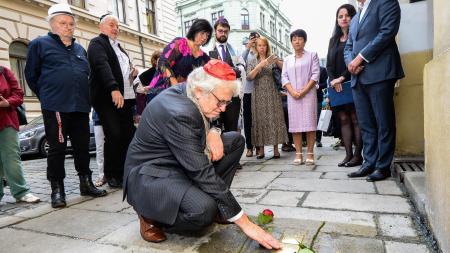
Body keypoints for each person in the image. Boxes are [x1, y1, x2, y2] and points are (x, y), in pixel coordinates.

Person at [123, 60, 281, 250]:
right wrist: (246, 223)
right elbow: (202, 172)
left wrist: (214, 131)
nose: (223, 108)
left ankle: (218, 207)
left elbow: (207, 120)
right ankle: (150, 214)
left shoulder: (194, 91)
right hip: (153, 173)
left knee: (235, 141)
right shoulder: (179, 112)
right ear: (199, 90)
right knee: (202, 210)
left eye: (227, 102)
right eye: (221, 102)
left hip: (179, 160)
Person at [24, 3, 107, 208]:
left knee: (81, 147)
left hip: (80, 105)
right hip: (56, 106)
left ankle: (86, 183)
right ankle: (57, 189)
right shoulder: (39, 44)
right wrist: (46, 95)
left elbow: (86, 75)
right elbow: (31, 75)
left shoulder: (79, 48)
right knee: (57, 148)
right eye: (63, 23)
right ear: (52, 24)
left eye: (71, 23)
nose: (68, 27)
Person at [344, 0, 404, 181]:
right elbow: (348, 46)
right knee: (366, 124)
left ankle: (382, 166)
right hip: (358, 76)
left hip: (380, 72)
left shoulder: (386, 2)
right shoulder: (355, 18)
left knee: (383, 121)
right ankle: (369, 163)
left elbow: (387, 33)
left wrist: (360, 58)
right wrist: (350, 63)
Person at [87, 14, 138, 188]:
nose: (115, 28)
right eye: (111, 25)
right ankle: (111, 175)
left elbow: (122, 71)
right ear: (101, 27)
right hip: (107, 97)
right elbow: (102, 65)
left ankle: (125, 172)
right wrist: (113, 88)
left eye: (117, 26)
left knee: (128, 136)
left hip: (126, 98)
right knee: (114, 134)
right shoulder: (97, 43)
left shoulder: (120, 48)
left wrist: (132, 74)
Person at [327, 4, 363, 167]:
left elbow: (355, 60)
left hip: (353, 81)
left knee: (356, 118)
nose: (344, 19)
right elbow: (328, 65)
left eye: (347, 15)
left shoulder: (357, 36)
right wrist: (334, 80)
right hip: (337, 86)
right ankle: (348, 155)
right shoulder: (333, 40)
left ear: (353, 17)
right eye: (340, 16)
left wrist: (342, 78)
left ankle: (358, 155)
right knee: (343, 119)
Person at [0, 65, 40, 204]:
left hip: (6, 121)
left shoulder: (4, 71)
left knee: (11, 157)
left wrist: (7, 102)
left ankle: (21, 192)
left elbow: (18, 94)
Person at [281, 29, 320, 165]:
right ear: (291, 42)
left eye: (300, 38)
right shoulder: (287, 59)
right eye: (294, 39)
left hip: (308, 94)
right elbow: (284, 77)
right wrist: (292, 91)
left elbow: (315, 75)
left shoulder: (312, 55)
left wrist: (304, 90)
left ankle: (310, 153)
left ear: (305, 40)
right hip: (293, 96)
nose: (297, 41)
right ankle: (298, 154)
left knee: (310, 124)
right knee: (295, 124)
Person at [147, 19, 212, 98]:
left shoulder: (204, 58)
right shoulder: (180, 43)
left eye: (207, 35)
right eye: (202, 33)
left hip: (180, 96)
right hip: (159, 91)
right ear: (194, 31)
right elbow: (162, 62)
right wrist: (173, 82)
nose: (205, 37)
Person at [247, 37, 287, 159]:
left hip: (273, 92)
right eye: (259, 45)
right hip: (258, 93)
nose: (262, 48)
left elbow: (285, 68)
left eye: (264, 45)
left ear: (267, 46)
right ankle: (261, 150)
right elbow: (249, 77)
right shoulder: (253, 60)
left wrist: (277, 61)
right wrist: (260, 65)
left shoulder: (272, 58)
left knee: (274, 119)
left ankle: (276, 150)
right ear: (256, 47)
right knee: (260, 120)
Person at [208, 17, 242, 132]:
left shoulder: (235, 50)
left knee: (232, 130)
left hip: (232, 97)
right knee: (215, 130)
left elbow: (242, 68)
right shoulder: (207, 49)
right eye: (220, 31)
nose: (223, 34)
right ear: (215, 31)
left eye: (226, 31)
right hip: (213, 97)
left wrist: (226, 70)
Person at [241, 32, 259, 157]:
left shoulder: (261, 52)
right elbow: (239, 62)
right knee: (247, 120)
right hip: (247, 91)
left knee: (258, 120)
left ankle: (259, 146)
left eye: (256, 38)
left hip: (259, 90)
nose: (254, 41)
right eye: (252, 39)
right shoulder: (245, 53)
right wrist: (248, 47)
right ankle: (249, 147)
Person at [92, 109, 105, 187]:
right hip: (99, 117)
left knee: (113, 146)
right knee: (100, 148)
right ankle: (101, 175)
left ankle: (112, 174)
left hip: (114, 114)